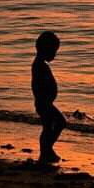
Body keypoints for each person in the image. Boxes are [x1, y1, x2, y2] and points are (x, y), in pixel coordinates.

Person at [32, 31, 67, 163]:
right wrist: (45, 99)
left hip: (45, 103)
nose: (55, 55)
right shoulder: (39, 66)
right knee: (57, 124)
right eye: (53, 52)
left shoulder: (40, 64)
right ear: (46, 50)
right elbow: (37, 86)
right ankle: (46, 151)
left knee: (50, 126)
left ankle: (47, 150)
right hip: (44, 103)